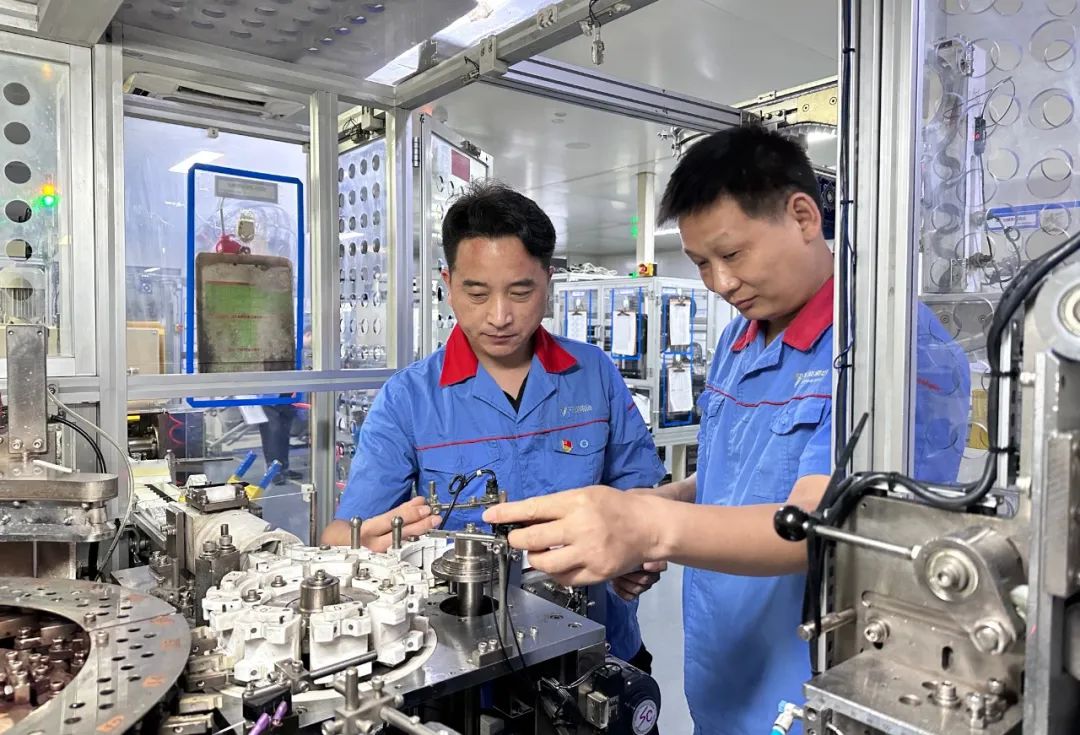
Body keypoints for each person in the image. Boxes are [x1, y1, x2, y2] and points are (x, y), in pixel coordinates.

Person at [483, 127, 970, 734]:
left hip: (813, 691)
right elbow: (735, 475)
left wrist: (649, 526)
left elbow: (820, 528)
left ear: (802, 216)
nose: (718, 283)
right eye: (700, 264)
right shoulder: (741, 338)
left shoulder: (889, 350)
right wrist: (658, 506)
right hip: (722, 680)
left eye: (732, 255)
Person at [322, 181, 667, 672]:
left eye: (521, 292)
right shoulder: (409, 398)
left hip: (599, 644)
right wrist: (363, 545)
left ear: (548, 281)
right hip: (466, 663)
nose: (499, 316)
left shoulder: (594, 374)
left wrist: (639, 554)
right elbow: (342, 534)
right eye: (477, 293)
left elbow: (643, 494)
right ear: (448, 283)